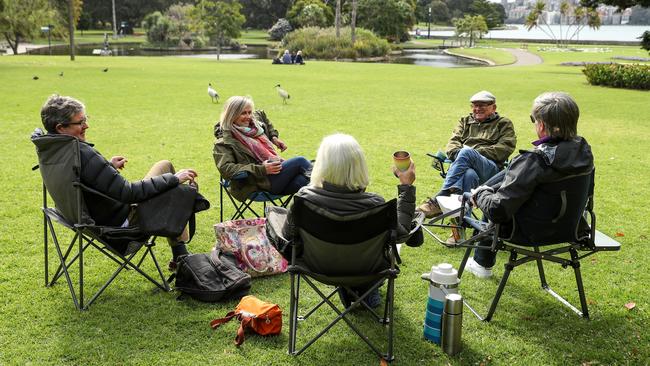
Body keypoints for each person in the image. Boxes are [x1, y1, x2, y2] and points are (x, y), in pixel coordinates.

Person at [38, 94, 197, 263]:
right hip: (121, 227)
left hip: (88, 220)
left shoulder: (52, 150)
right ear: (61, 128)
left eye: (85, 119)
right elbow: (129, 192)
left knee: (164, 166)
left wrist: (106, 166)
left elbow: (78, 178)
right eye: (80, 122)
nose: (87, 125)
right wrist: (173, 179)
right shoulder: (82, 153)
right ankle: (181, 255)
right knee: (175, 185)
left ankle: (180, 254)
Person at [281, 133, 423, 308]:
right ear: (359, 164)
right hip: (366, 268)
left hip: (318, 266)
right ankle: (363, 289)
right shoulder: (375, 205)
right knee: (369, 247)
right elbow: (401, 234)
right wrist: (406, 187)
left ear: (321, 164)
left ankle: (354, 289)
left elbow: (287, 237)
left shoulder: (304, 199)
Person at [464, 92, 593, 279]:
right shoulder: (583, 150)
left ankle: (481, 264)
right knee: (505, 178)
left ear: (541, 124)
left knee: (491, 196)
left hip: (526, 233)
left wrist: (481, 195)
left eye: (534, 119)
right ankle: (481, 191)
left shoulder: (533, 161)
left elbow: (498, 210)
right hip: (571, 228)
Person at [418, 90, 516, 219]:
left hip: (490, 170)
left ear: (494, 107)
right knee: (468, 174)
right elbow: (452, 144)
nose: (477, 108)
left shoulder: (503, 123)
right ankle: (461, 225)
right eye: (475, 105)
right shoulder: (464, 121)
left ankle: (440, 198)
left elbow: (505, 148)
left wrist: (473, 154)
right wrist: (465, 156)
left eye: (482, 105)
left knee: (466, 152)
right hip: (464, 168)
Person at [213, 96, 311, 202]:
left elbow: (262, 115)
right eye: (243, 113)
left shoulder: (255, 125)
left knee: (305, 180)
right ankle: (330, 190)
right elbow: (226, 170)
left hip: (276, 175)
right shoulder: (224, 142)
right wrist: (262, 169)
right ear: (232, 115)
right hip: (257, 183)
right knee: (301, 162)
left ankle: (318, 208)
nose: (248, 116)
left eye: (250, 112)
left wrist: (274, 137)